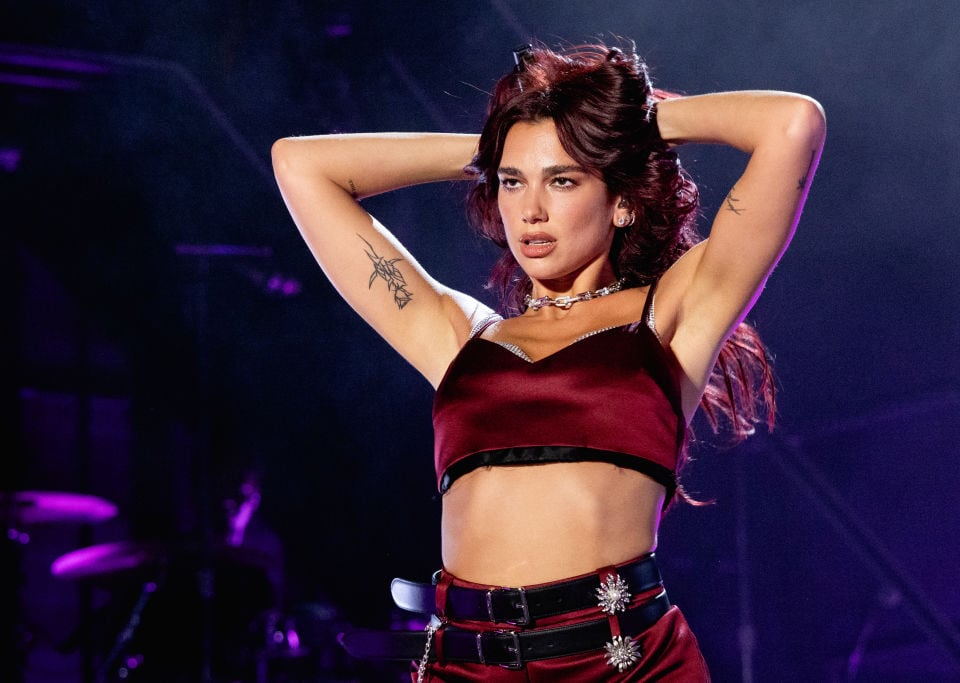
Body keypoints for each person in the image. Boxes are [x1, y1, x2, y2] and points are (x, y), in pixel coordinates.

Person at [271, 41, 825, 682]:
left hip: (624, 665)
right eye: (513, 182)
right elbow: (300, 165)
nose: (530, 210)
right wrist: (500, 147)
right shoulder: (459, 337)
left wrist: (629, 128)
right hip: (463, 667)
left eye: (562, 180)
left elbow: (792, 125)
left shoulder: (672, 312)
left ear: (620, 199)